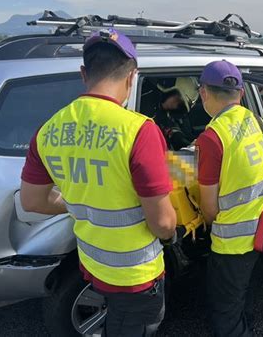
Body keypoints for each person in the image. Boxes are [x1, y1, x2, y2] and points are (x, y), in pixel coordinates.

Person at [20, 29, 177, 337]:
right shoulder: (139, 131)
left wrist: (82, 203)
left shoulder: (48, 130)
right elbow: (162, 223)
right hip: (137, 276)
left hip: (93, 265)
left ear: (83, 73)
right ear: (132, 76)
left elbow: (32, 201)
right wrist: (172, 234)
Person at [195, 60, 263, 336]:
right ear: (241, 94)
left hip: (230, 243)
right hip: (262, 228)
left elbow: (208, 207)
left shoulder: (212, 138)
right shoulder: (258, 122)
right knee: (239, 290)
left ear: (203, 93)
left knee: (224, 309)